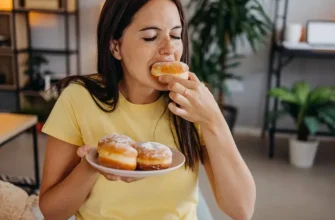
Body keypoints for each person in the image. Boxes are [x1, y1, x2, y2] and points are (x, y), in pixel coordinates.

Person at [38, 0, 256, 219]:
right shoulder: (79, 99)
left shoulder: (194, 103)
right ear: (115, 46)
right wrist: (91, 165)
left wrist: (213, 119)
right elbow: (52, 212)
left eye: (176, 35)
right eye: (151, 36)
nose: (169, 49)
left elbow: (241, 210)